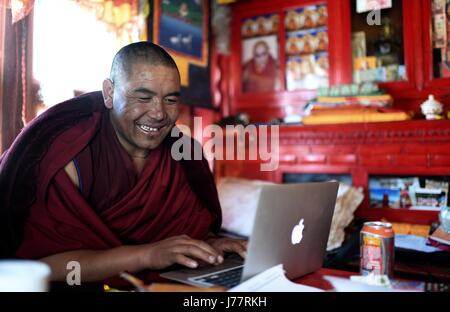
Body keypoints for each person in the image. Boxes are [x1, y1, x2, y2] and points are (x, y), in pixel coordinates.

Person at [0, 42, 246, 283]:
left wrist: (211, 244)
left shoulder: (181, 156)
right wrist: (145, 255)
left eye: (170, 100)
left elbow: (189, 233)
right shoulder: (72, 156)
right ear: (109, 93)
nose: (159, 113)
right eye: (143, 97)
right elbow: (43, 270)